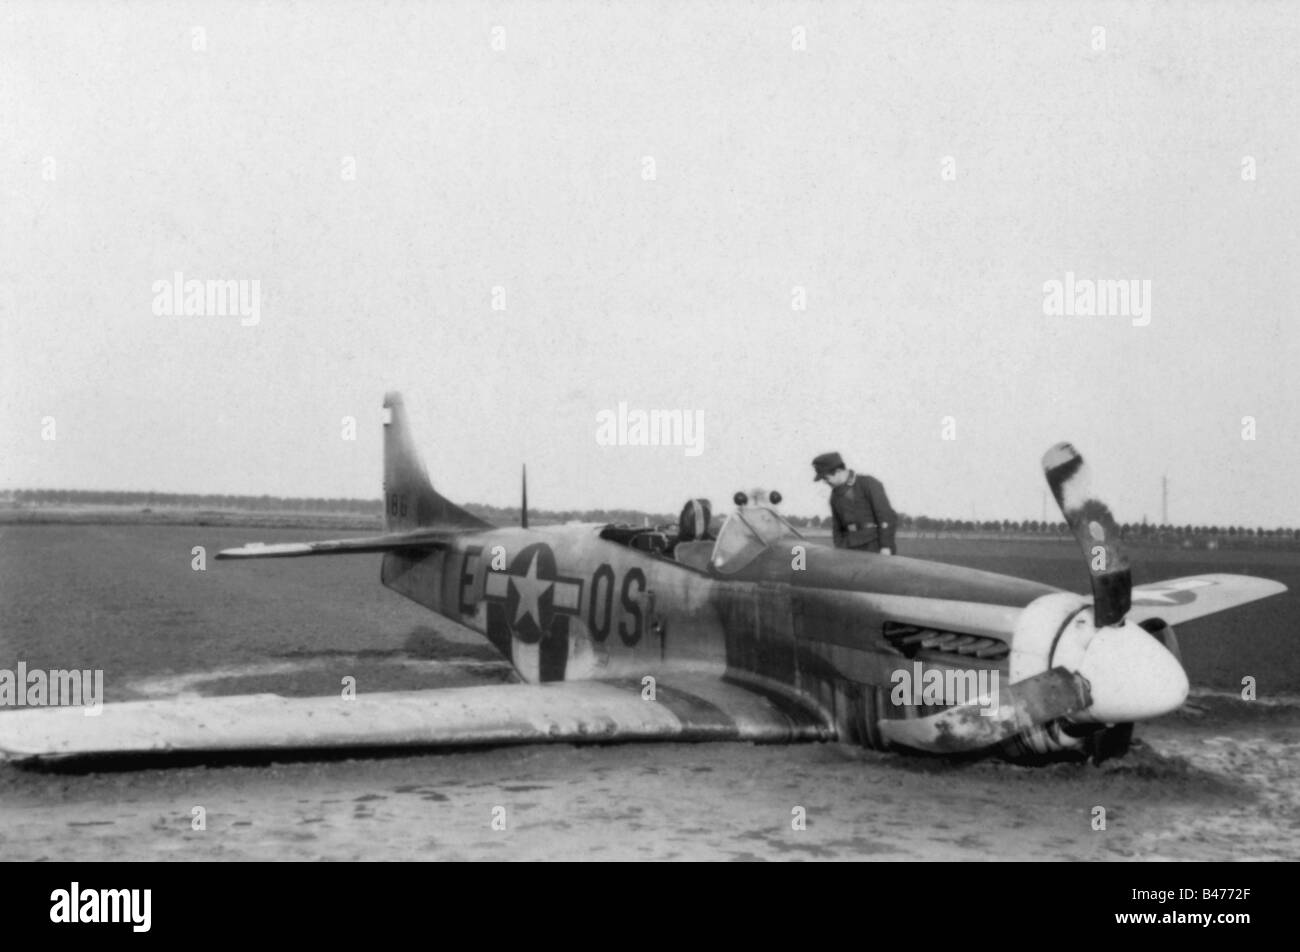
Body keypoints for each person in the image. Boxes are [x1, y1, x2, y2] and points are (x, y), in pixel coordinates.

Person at [811, 451, 897, 554]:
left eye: (826, 478)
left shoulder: (868, 484)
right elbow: (837, 527)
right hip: (849, 547)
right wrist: (839, 547)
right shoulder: (834, 496)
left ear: (838, 471)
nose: (825, 482)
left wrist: (886, 546)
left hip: (874, 545)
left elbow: (885, 516)